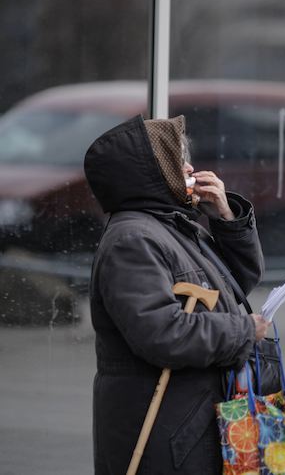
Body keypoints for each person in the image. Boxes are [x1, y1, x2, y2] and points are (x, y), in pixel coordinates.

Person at [84, 114, 269, 474]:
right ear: (150, 173)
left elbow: (234, 285)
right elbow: (162, 333)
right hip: (162, 430)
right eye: (176, 160)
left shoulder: (171, 225)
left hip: (185, 420)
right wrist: (244, 330)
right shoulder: (134, 240)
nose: (189, 168)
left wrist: (225, 217)